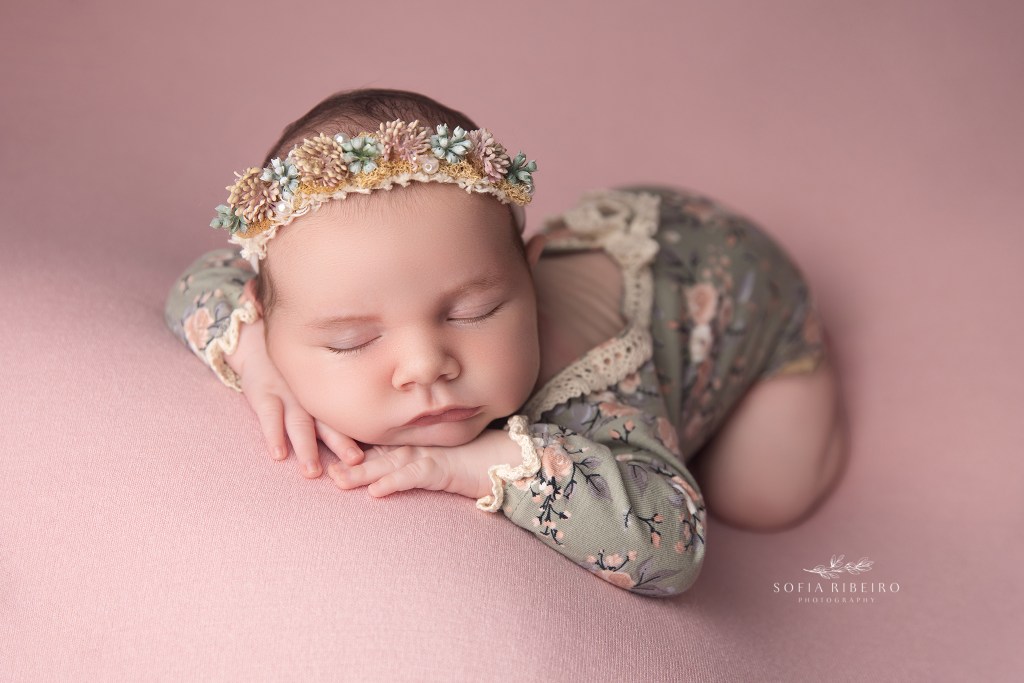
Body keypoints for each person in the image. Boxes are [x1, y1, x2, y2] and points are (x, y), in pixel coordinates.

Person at [165, 88, 848, 597]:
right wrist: (254, 356)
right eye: (352, 340)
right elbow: (201, 280)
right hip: (627, 241)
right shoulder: (268, 315)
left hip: (741, 288)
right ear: (264, 310)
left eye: (475, 310)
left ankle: (805, 351)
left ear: (532, 270)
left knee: (762, 496)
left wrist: (484, 464)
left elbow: (672, 544)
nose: (426, 362)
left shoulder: (594, 383)